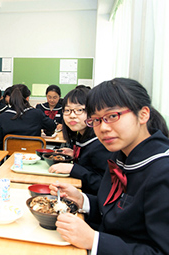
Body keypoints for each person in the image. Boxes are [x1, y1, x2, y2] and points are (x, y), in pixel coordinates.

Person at [49, 78, 169, 254]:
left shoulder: (162, 171)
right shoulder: (121, 156)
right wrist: (83, 200)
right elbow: (118, 212)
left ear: (143, 114)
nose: (103, 127)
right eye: (96, 120)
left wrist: (94, 240)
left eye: (112, 116)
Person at [48, 86, 112, 194]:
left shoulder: (101, 143)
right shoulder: (82, 136)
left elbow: (104, 185)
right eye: (67, 110)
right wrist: (76, 154)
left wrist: (73, 169)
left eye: (79, 110)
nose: (72, 115)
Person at [0, 84, 56, 149]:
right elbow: (52, 126)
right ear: (27, 98)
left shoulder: (1, 118)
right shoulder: (37, 114)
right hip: (32, 156)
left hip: (10, 157)